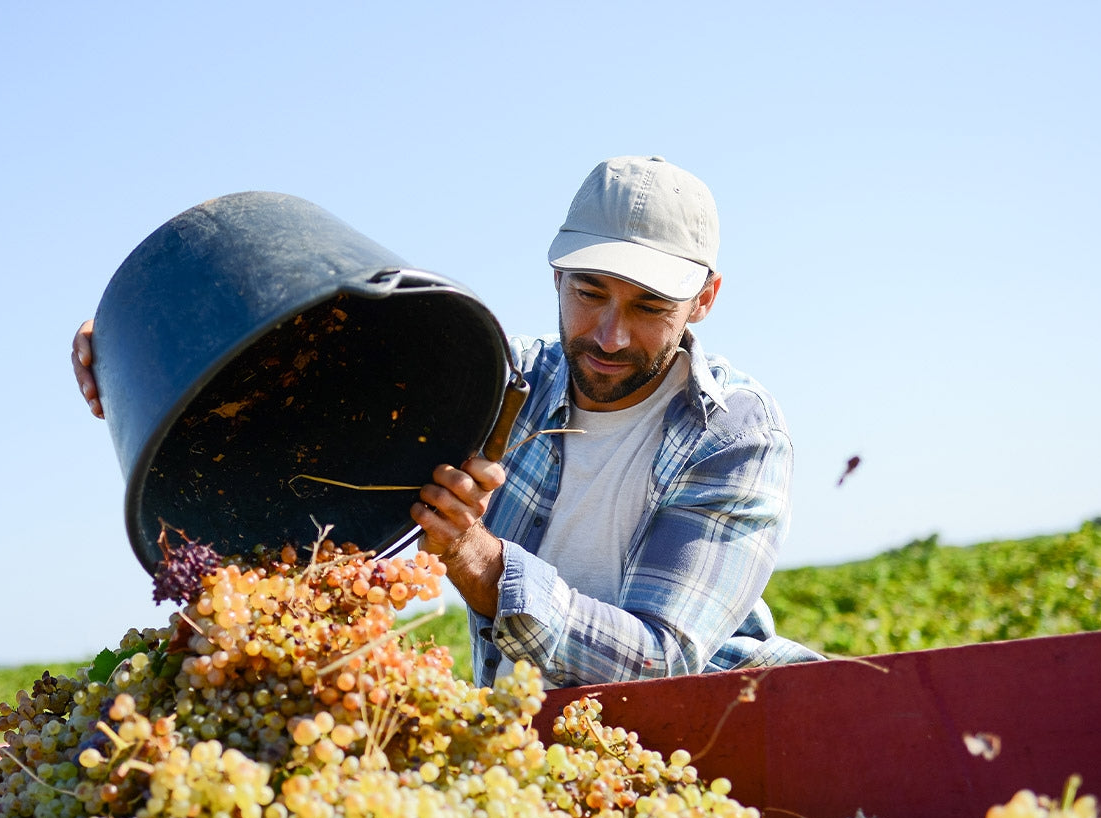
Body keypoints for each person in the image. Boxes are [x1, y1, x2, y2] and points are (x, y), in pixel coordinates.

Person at [73, 155, 822, 688]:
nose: (609, 335)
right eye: (590, 293)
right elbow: (312, 379)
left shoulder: (733, 435)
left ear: (705, 300)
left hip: (731, 720)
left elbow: (663, 664)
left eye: (650, 308)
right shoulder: (497, 384)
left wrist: (480, 561)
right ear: (556, 275)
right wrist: (150, 346)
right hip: (531, 739)